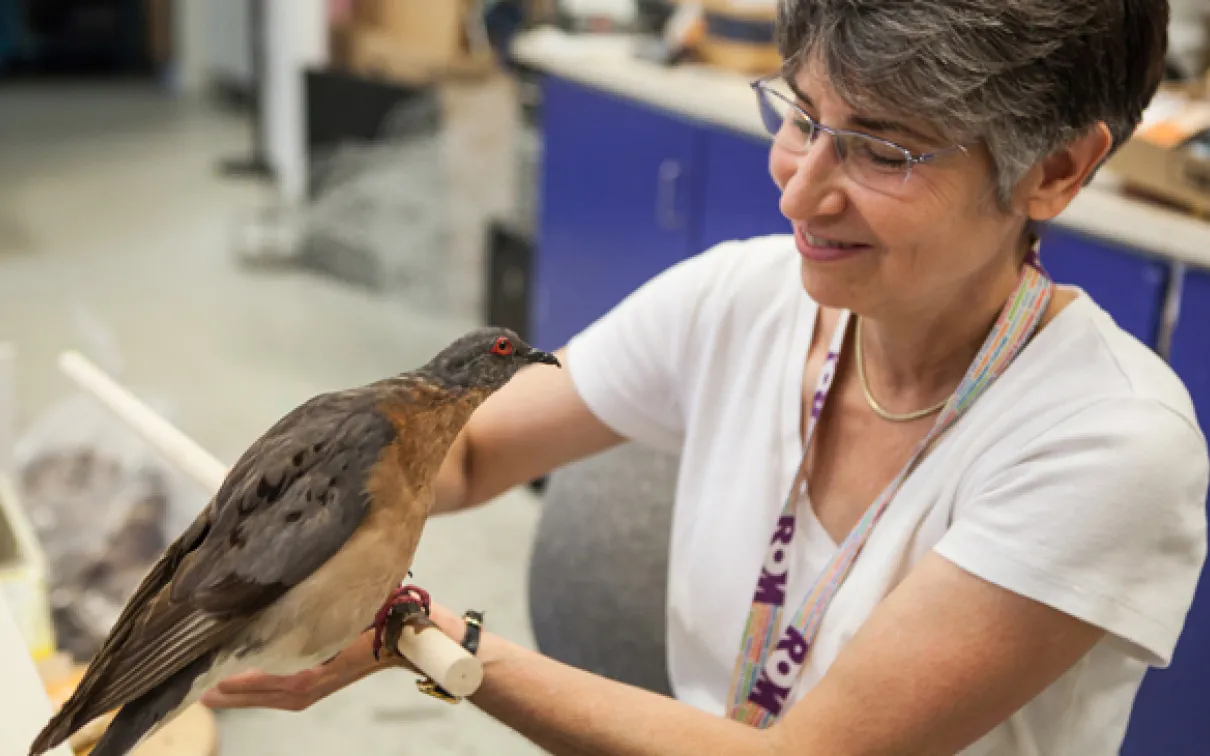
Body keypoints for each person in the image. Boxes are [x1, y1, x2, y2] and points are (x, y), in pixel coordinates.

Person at [202, 0, 1210, 753]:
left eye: (885, 153)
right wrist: (263, 516)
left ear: (1056, 171)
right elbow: (456, 463)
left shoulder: (1109, 446)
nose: (801, 194)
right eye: (801, 117)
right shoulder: (746, 298)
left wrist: (426, 640)